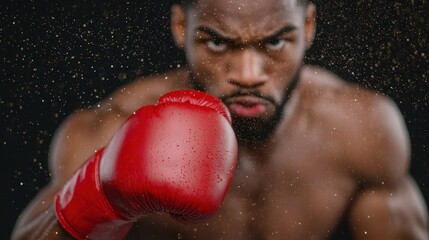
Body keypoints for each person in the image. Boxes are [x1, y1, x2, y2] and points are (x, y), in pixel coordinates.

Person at [12, 0, 429, 239]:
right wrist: (102, 198)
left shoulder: (363, 128)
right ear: (180, 26)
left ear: (307, 24)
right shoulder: (114, 129)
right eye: (216, 41)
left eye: (276, 41)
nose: (248, 74)